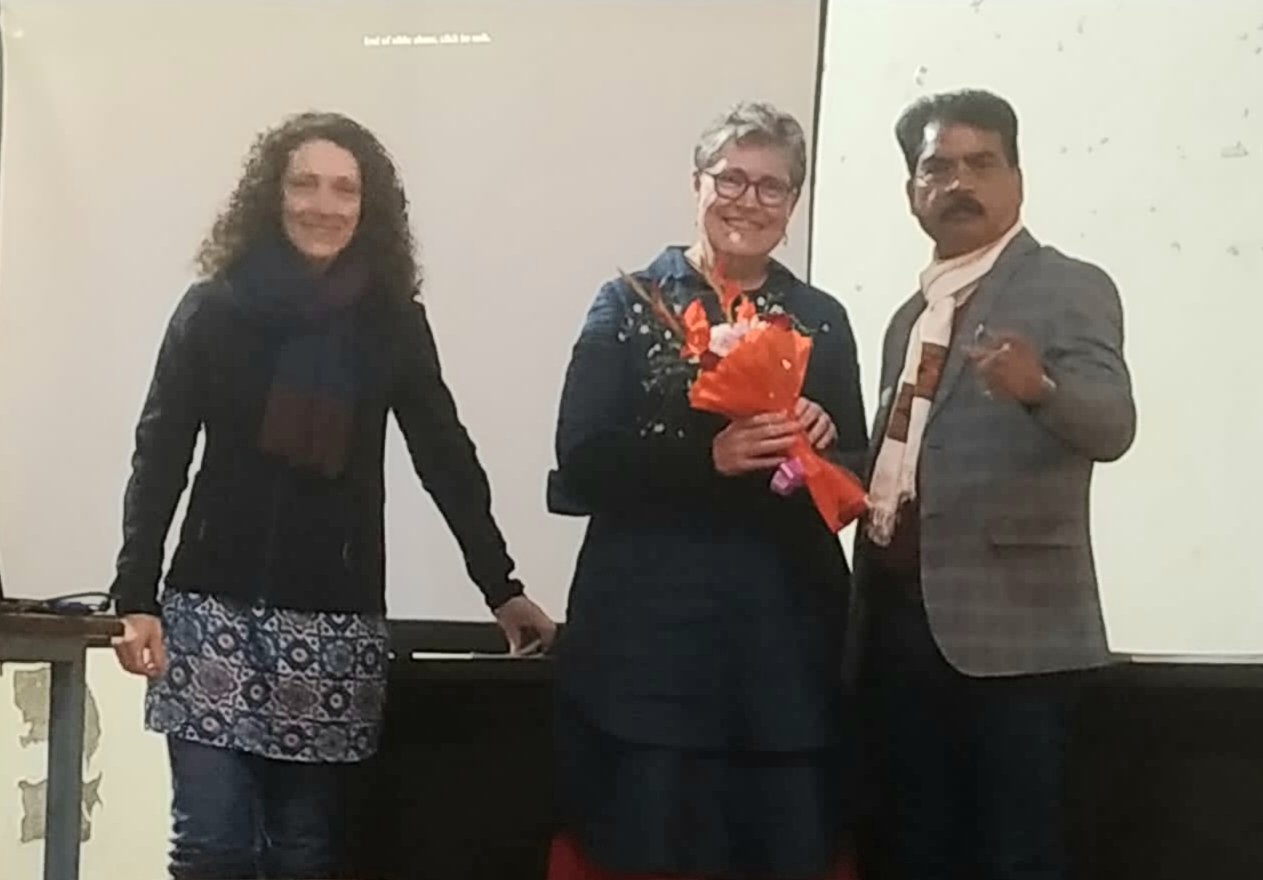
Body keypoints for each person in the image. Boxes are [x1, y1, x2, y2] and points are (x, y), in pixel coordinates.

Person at [108, 111, 557, 880]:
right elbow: (160, 455)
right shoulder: (213, 309)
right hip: (210, 610)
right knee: (211, 847)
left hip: (334, 620)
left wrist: (501, 585)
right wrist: (135, 596)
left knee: (304, 854)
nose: (324, 205)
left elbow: (444, 456)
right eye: (305, 184)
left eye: (345, 189)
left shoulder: (392, 324)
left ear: (368, 206)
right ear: (272, 195)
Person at [547, 102, 865, 880]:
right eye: (731, 179)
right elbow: (581, 460)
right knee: (649, 849)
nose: (748, 201)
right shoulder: (626, 302)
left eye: (771, 187)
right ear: (697, 184)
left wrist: (821, 442)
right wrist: (708, 460)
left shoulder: (821, 319)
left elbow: (857, 471)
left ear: (793, 204)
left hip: (784, 653)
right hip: (649, 652)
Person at [852, 89, 1137, 880]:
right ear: (912, 191)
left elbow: (1113, 425)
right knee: (913, 851)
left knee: (1014, 856)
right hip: (898, 626)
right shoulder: (911, 316)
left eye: (981, 164)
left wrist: (1039, 388)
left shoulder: (1068, 286)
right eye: (937, 168)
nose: (959, 183)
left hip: (1015, 641)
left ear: (1017, 179)